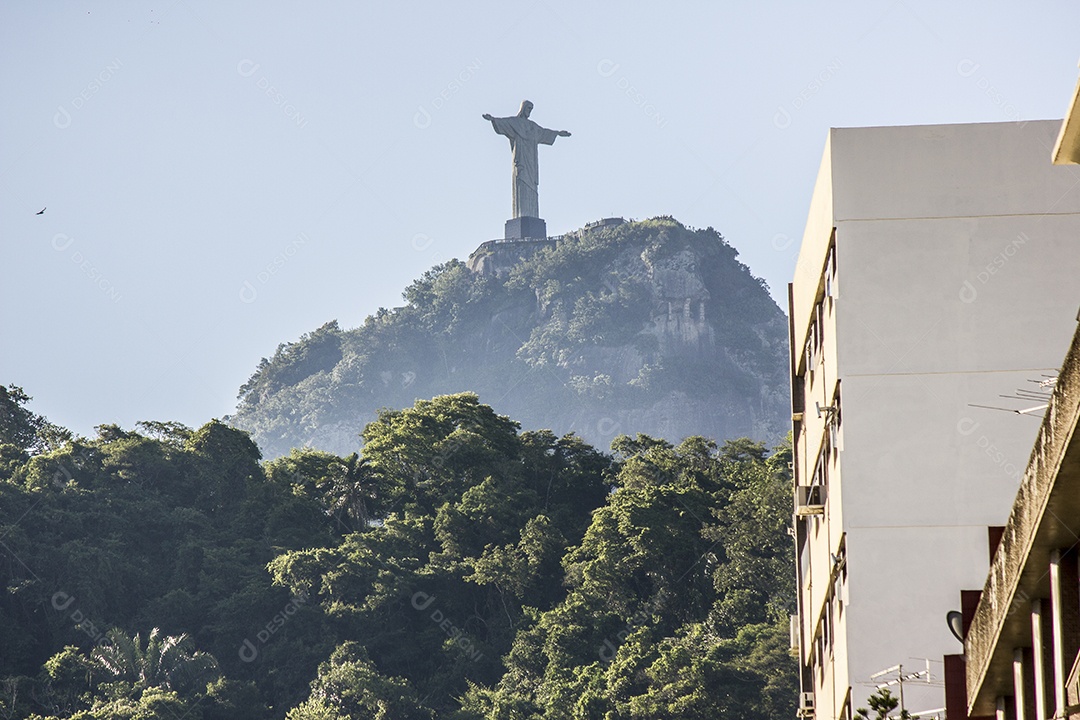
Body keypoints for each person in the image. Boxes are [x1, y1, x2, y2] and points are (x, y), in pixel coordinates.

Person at [482, 101, 570, 218]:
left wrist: (558, 133)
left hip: (532, 162)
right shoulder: (515, 123)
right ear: (522, 109)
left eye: (531, 109)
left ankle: (532, 214)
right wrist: (493, 119)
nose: (529, 111)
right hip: (521, 160)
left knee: (532, 186)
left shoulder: (533, 127)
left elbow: (543, 132)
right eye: (528, 108)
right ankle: (519, 215)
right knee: (521, 183)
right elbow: (503, 123)